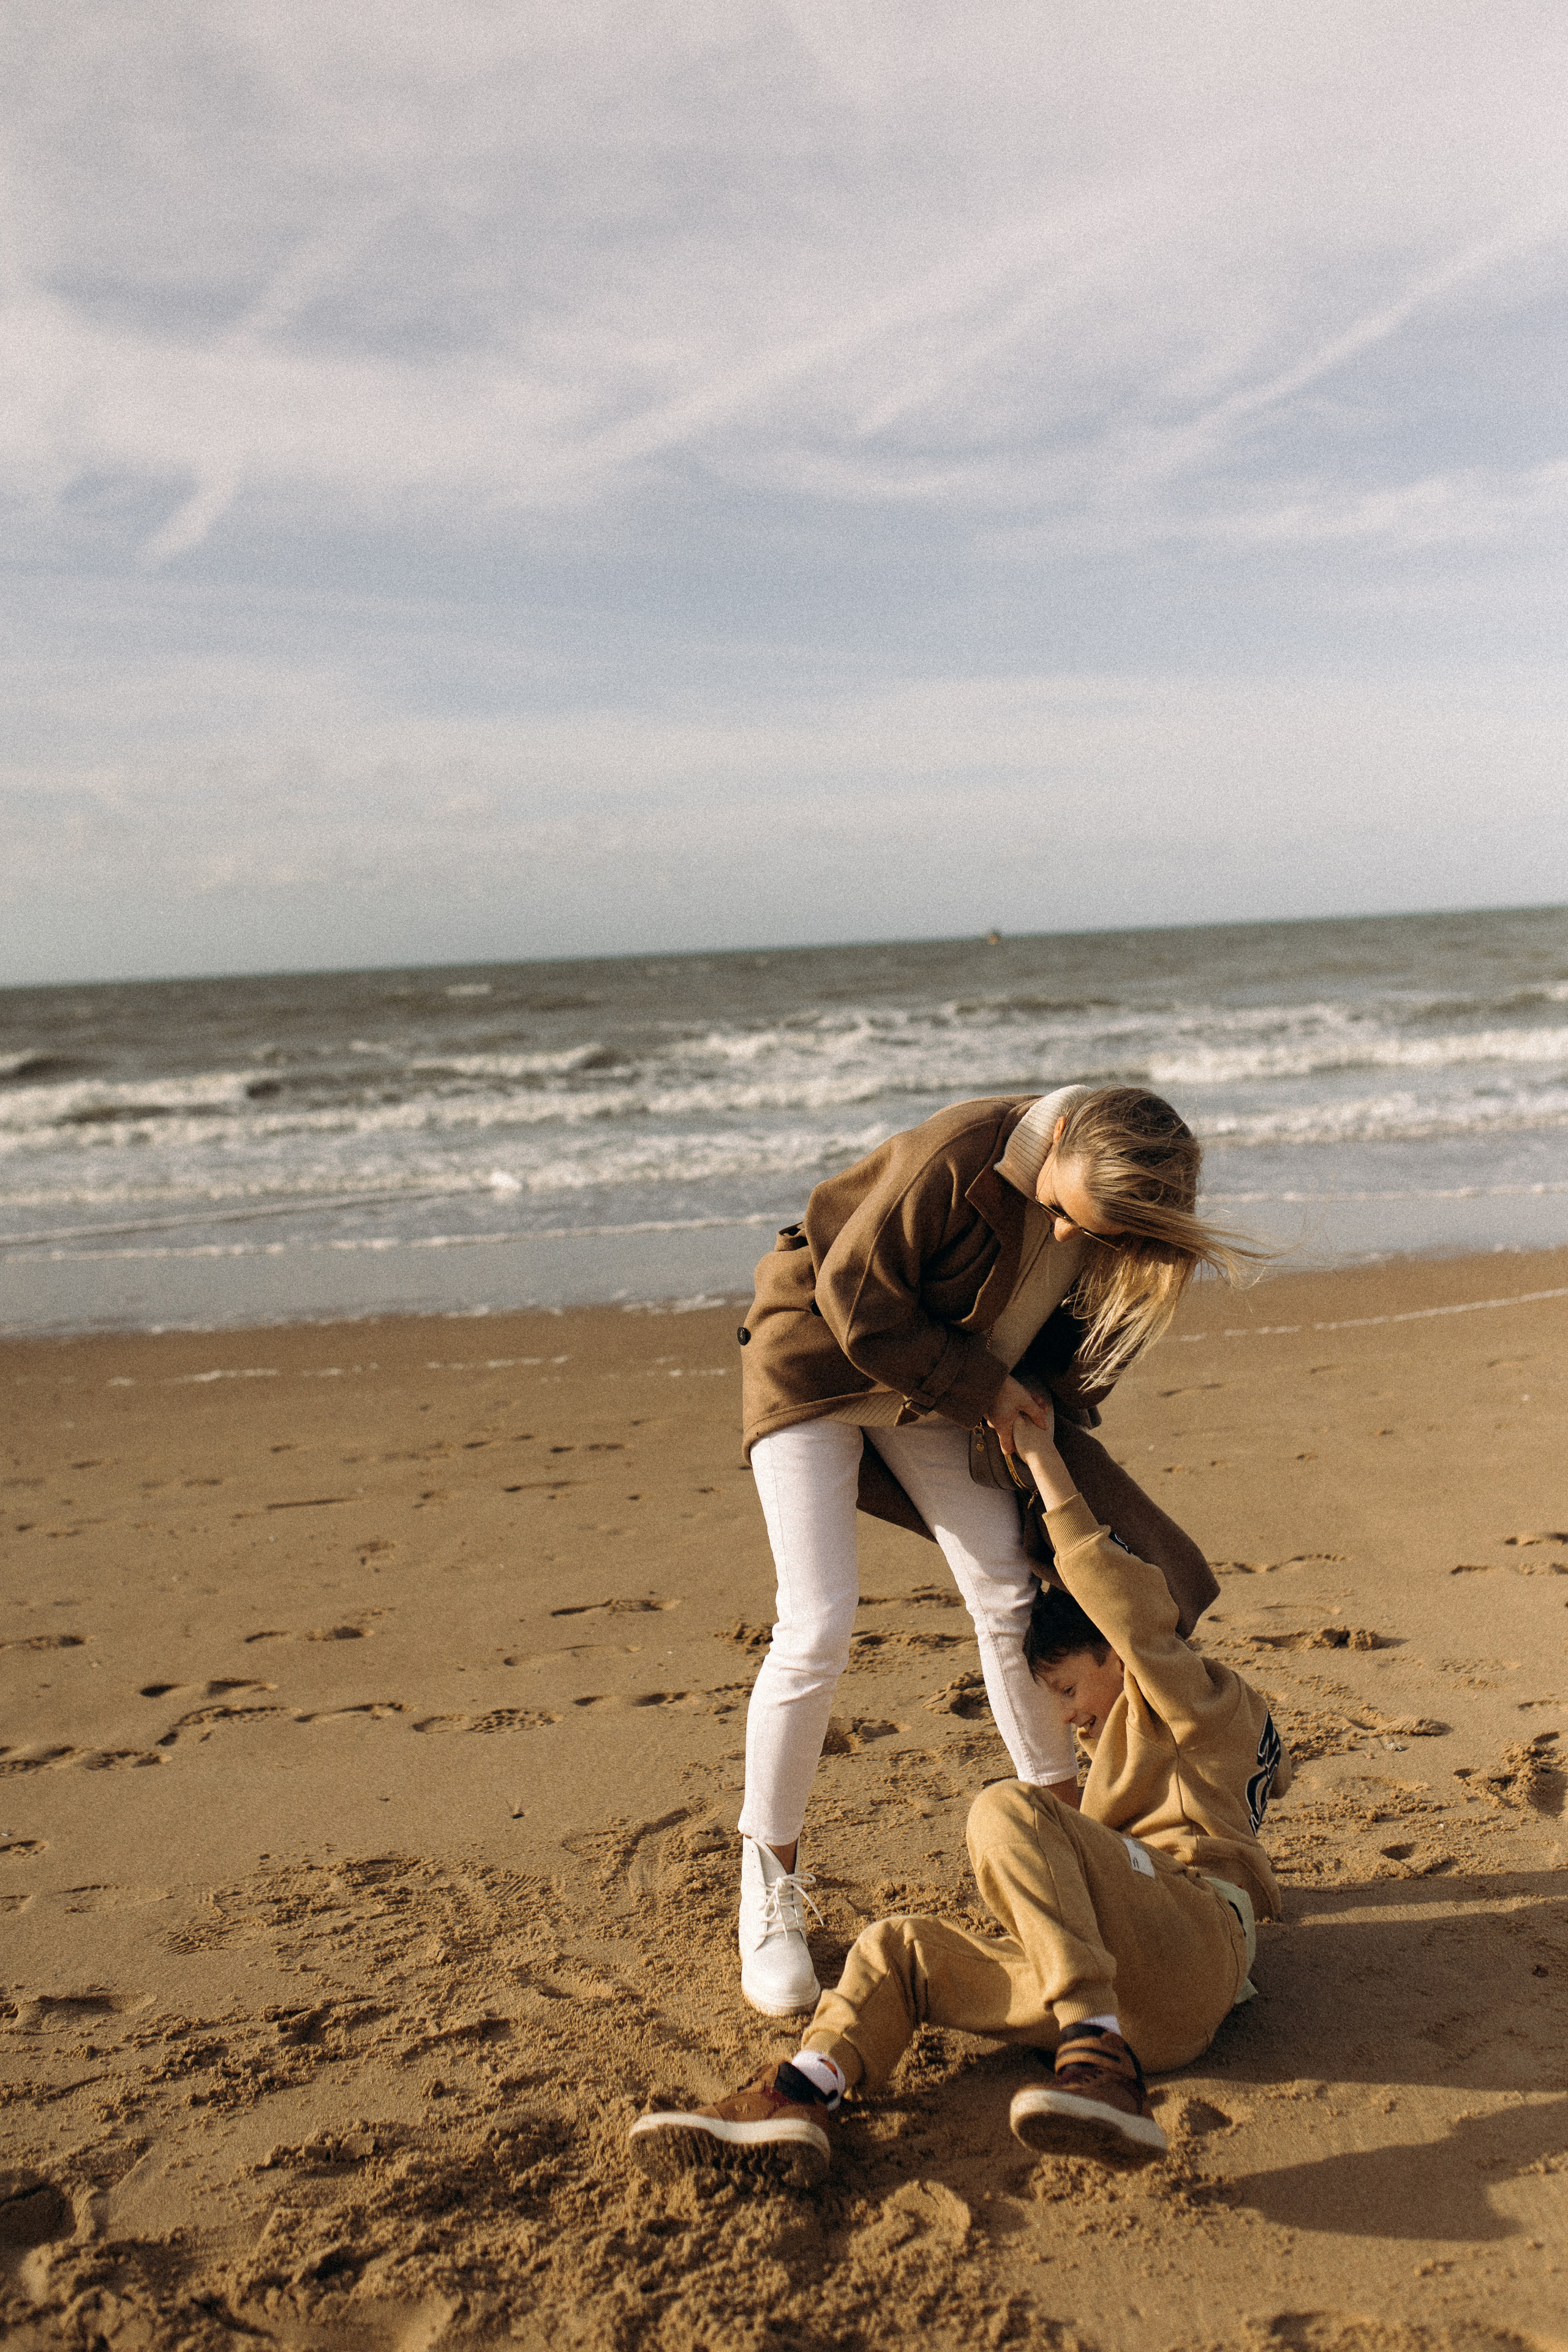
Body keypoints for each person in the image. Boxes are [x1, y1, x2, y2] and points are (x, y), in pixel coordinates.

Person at [628, 1402, 1291, 2187]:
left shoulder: (1186, 1696)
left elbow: (1120, 1598)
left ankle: (1099, 2059)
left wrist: (1042, 1460)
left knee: (1006, 1807)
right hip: (1128, 1983)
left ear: (1117, 1654)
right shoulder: (1215, 1736)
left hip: (1193, 1941)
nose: (1068, 1718)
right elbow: (1273, 1773)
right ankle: (802, 2093)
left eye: (1069, 1688)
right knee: (897, 1949)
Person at [728, 1080, 1261, 2015]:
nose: (1065, 1235)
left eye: (1091, 1232)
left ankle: (1070, 1845)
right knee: (817, 1622)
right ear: (1060, 1137)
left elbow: (1065, 1360)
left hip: (940, 1387)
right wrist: (988, 1389)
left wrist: (1033, 1396)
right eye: (1061, 1209)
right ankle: (768, 1884)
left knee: (1011, 1595)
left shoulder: (1111, 1221)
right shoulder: (958, 1154)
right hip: (820, 1364)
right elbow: (856, 1300)